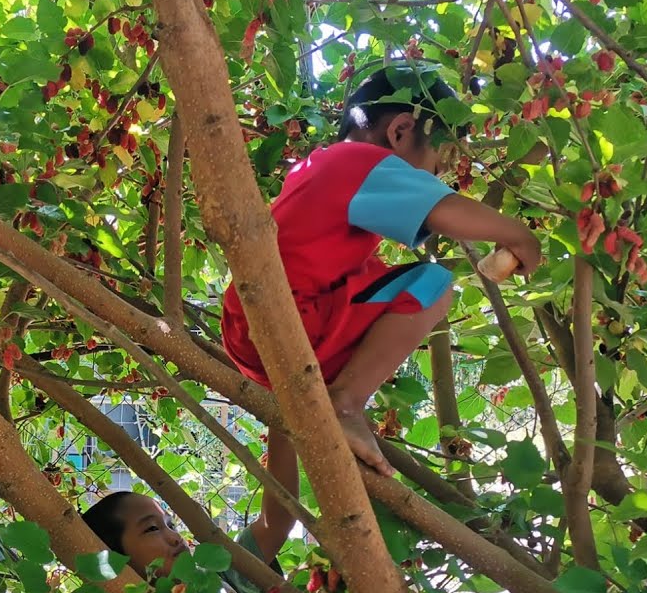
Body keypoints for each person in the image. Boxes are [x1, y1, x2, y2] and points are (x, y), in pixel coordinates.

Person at [221, 64, 543, 477]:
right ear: (400, 131)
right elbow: (443, 210)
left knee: (375, 272)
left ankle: (330, 416)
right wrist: (518, 233)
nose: (440, 175)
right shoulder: (357, 159)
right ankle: (346, 403)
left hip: (250, 330)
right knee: (433, 284)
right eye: (440, 160)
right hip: (294, 318)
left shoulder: (314, 170)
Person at [80, 483, 295, 593]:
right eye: (152, 528)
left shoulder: (218, 582)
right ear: (112, 560)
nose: (175, 537)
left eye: (171, 525)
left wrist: (282, 427)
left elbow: (276, 522)